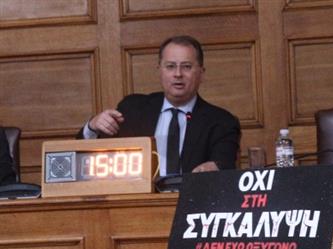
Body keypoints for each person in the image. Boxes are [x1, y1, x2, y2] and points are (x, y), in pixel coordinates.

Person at [78, 35, 240, 175]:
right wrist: (92, 127)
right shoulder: (132, 109)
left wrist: (215, 168)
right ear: (159, 71)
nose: (178, 74)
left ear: (201, 73)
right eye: (170, 66)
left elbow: (225, 164)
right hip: (138, 199)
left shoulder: (222, 122)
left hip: (191, 198)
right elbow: (84, 157)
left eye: (186, 67)